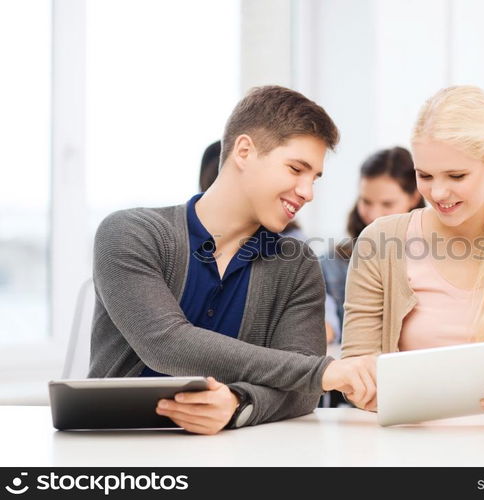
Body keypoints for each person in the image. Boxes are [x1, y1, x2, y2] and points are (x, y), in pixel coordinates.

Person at [89, 85, 376, 435]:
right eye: (295, 169)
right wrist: (322, 371)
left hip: (234, 455)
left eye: (314, 177)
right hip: (114, 449)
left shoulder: (296, 264)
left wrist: (238, 404)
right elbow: (164, 343)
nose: (307, 192)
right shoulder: (132, 233)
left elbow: (302, 394)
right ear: (244, 151)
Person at [342, 86, 484, 425]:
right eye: (425, 176)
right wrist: (371, 392)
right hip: (410, 442)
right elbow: (356, 368)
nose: (438, 192)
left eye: (456, 176)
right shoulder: (380, 241)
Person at [320, 146, 424, 344]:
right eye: (366, 201)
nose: (374, 215)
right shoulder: (332, 264)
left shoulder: (436, 258)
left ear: (414, 198)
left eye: (387, 204)